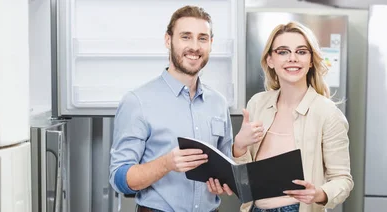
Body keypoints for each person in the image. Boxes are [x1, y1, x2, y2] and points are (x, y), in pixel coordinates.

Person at [108, 5, 234, 212]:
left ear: (210, 43)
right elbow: (119, 178)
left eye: (202, 38)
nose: (194, 46)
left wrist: (225, 178)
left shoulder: (218, 103)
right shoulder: (137, 101)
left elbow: (225, 168)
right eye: (186, 37)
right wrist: (167, 163)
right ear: (168, 40)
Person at [222, 21, 354, 212]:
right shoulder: (257, 104)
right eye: (283, 52)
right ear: (270, 60)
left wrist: (319, 193)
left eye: (301, 51)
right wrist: (239, 147)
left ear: (310, 61)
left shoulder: (327, 113)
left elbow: (343, 180)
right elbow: (243, 182)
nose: (292, 58)